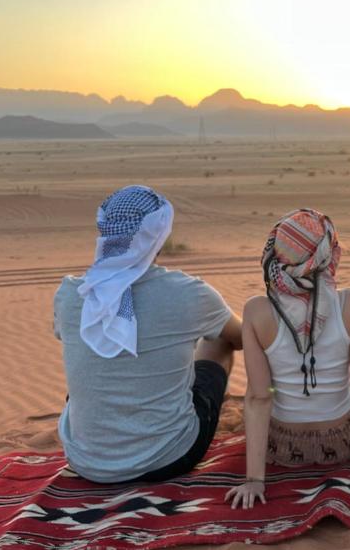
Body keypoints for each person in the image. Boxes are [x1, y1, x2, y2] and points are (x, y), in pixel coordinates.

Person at [225, 208, 350, 509]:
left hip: (282, 447)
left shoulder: (256, 311)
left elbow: (259, 397)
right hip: (343, 443)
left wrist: (254, 480)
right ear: (328, 253)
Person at [53, 185, 242, 484]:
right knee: (218, 339)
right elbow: (241, 337)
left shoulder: (71, 293)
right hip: (169, 458)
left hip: (85, 463)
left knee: (98, 359)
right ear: (159, 235)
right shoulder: (188, 293)